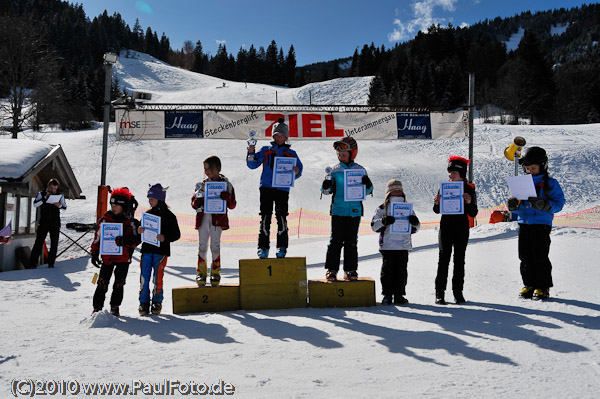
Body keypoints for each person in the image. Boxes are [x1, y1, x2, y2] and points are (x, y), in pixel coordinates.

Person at [507, 146, 565, 300]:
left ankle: (542, 286)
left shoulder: (550, 183)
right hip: (524, 224)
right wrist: (514, 206)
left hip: (541, 224)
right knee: (525, 256)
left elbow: (559, 203)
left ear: (543, 166)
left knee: (540, 256)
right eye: (527, 168)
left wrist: (545, 205)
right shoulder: (522, 183)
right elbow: (520, 205)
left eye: (533, 168)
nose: (529, 171)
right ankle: (529, 284)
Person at [246, 118, 303, 259]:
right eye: (276, 135)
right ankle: (263, 247)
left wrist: (296, 171)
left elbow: (299, 169)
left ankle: (282, 247)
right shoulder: (266, 150)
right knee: (265, 217)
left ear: (286, 137)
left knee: (282, 217)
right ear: (273, 137)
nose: (279, 138)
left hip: (282, 189)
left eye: (282, 136)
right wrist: (251, 152)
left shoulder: (291, 153)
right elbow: (252, 165)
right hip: (266, 187)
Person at [321, 136, 373, 281]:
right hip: (338, 210)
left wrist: (367, 184)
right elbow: (327, 191)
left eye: (343, 154)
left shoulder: (360, 170)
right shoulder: (334, 171)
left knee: (351, 242)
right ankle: (331, 270)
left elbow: (368, 191)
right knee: (335, 241)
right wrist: (325, 186)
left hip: (354, 212)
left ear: (352, 153)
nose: (340, 156)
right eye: (338, 154)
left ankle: (350, 270)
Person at [433, 156, 478, 305]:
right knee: (443, 259)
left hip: (461, 227)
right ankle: (440, 293)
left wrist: (469, 202)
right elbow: (436, 210)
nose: (451, 175)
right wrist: (437, 202)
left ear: (461, 174)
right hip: (446, 226)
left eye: (454, 173)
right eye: (449, 173)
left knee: (459, 260)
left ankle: (458, 292)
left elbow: (473, 213)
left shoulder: (469, 189)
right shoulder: (444, 187)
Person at [90, 187, 140, 316]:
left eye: (117, 205)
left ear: (124, 206)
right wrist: (94, 253)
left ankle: (115, 306)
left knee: (119, 283)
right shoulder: (105, 220)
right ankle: (97, 308)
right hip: (107, 258)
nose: (114, 207)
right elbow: (97, 238)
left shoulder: (131, 222)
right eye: (112, 204)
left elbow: (136, 240)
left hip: (123, 259)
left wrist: (125, 241)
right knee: (102, 282)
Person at [371, 178, 420, 304]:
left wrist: (414, 223)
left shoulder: (407, 208)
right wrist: (384, 221)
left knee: (401, 271)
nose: (397, 192)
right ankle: (387, 295)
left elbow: (416, 227)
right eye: (394, 190)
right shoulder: (383, 208)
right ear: (388, 192)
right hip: (388, 245)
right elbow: (373, 225)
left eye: (399, 190)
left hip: (403, 245)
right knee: (387, 272)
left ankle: (399, 294)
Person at [192, 156, 236, 286]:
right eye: (205, 168)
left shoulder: (226, 185)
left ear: (218, 168)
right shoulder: (201, 185)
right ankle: (201, 273)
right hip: (204, 218)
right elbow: (194, 204)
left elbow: (232, 205)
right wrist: (199, 199)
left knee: (215, 245)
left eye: (209, 168)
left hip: (217, 220)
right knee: (202, 245)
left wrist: (227, 197)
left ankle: (215, 272)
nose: (207, 171)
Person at [137, 184, 181, 315]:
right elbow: (140, 228)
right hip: (146, 250)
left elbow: (177, 234)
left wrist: (165, 237)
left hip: (161, 252)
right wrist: (140, 230)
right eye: (149, 199)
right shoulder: (147, 214)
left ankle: (157, 301)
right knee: (144, 276)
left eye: (152, 199)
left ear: (160, 199)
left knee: (157, 277)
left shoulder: (169, 216)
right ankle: (143, 302)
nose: (150, 202)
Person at [29, 178, 67, 268]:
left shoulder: (60, 195)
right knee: (39, 242)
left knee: (54, 243)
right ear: (48, 186)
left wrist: (59, 205)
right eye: (51, 188)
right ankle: (32, 263)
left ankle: (51, 263)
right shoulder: (41, 194)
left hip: (55, 222)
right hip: (44, 222)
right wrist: (44, 199)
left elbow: (65, 207)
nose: (52, 190)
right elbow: (35, 204)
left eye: (54, 188)